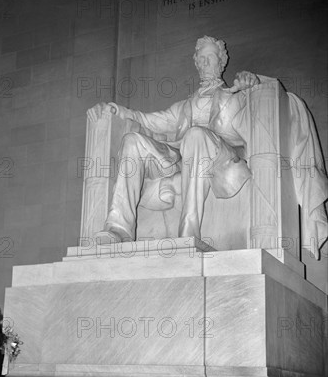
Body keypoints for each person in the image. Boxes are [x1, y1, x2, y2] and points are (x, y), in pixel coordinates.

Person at [88, 35, 328, 256]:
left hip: (222, 161)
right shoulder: (184, 107)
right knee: (132, 141)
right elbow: (148, 120)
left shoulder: (237, 94)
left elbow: (268, 99)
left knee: (195, 135)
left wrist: (252, 83)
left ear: (221, 62)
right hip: (183, 159)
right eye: (200, 59)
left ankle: (189, 232)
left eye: (209, 58)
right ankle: (119, 228)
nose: (204, 64)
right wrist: (117, 110)